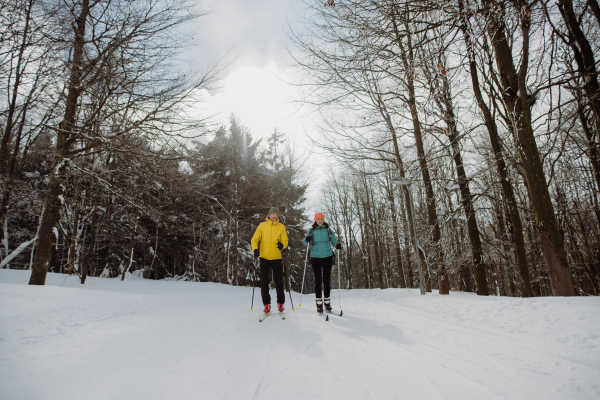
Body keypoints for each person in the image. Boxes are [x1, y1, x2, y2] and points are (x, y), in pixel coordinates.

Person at [251, 207, 289, 315]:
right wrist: (255, 249)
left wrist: (283, 245)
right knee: (264, 282)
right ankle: (266, 304)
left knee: (279, 282)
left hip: (276, 257)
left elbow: (285, 240)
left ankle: (280, 303)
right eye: (273, 214)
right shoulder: (262, 226)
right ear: (269, 215)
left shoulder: (281, 227)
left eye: (277, 214)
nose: (275, 216)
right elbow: (254, 239)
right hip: (264, 257)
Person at [302, 212, 341, 313]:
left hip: (327, 256)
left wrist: (337, 245)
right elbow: (304, 242)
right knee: (318, 279)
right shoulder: (311, 230)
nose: (320, 220)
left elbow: (334, 240)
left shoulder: (328, 229)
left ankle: (327, 302)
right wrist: (307, 239)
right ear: (315, 220)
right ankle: (319, 303)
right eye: (318, 219)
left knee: (326, 279)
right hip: (315, 257)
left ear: (323, 219)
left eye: (321, 219)